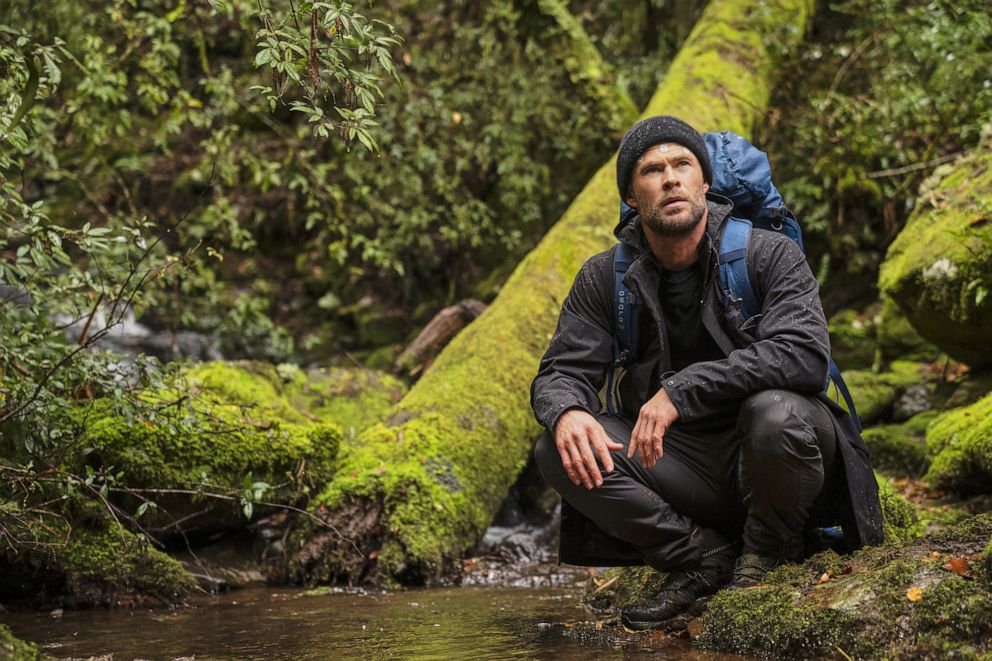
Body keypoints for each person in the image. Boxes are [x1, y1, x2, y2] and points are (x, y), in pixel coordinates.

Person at [530, 115, 883, 630]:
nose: (670, 178)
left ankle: (767, 556)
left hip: (782, 459)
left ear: (706, 183)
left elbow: (805, 354)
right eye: (652, 170)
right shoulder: (606, 277)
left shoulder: (767, 253)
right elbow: (561, 371)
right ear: (632, 196)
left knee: (774, 412)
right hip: (681, 469)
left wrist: (681, 390)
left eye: (683, 164)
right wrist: (565, 411)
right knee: (557, 448)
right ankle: (700, 557)